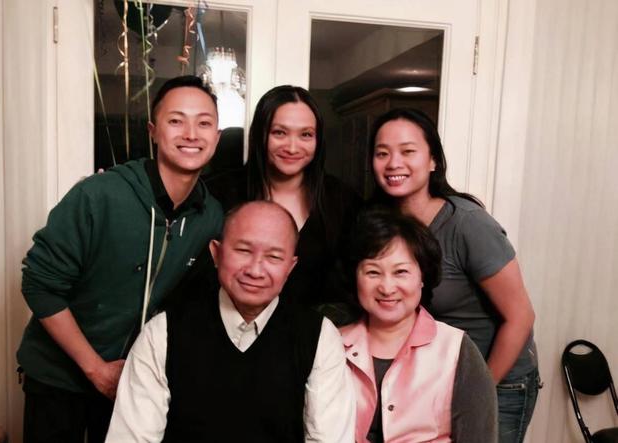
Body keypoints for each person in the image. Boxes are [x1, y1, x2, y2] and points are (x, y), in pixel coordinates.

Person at [16, 75, 224, 443]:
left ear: (217, 137)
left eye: (204, 123)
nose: (191, 134)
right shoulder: (99, 195)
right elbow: (39, 284)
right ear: (153, 131)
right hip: (57, 377)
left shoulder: (210, 217)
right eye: (176, 120)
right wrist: (96, 369)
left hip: (131, 379)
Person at [105, 201, 356, 442]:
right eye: (243, 251)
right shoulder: (164, 332)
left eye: (274, 257)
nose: (255, 270)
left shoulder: (319, 337)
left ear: (290, 267)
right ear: (216, 253)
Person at [369, 108, 539, 443]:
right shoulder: (383, 225)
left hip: (499, 378)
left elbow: (521, 316)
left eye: (407, 151)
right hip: (436, 378)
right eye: (382, 153)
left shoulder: (467, 224)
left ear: (433, 160)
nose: (393, 163)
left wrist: (479, 391)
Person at [182, 85, 361, 315]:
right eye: (279, 133)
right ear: (261, 134)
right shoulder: (218, 193)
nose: (292, 147)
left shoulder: (342, 201)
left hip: (314, 331)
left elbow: (352, 285)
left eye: (306, 134)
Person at [340, 207, 498, 443]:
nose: (387, 287)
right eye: (373, 272)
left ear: (423, 277)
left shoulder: (456, 349)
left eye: (401, 272)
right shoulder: (330, 344)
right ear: (355, 277)